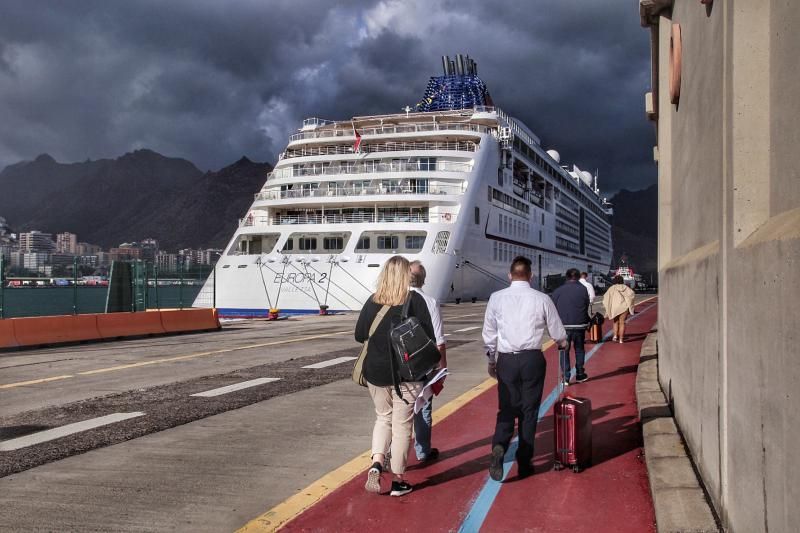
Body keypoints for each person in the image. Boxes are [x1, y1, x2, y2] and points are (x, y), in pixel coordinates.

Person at [354, 256, 435, 497]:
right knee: (402, 426)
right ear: (405, 276)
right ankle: (399, 480)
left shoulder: (372, 300)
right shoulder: (415, 300)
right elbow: (428, 337)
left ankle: (377, 462)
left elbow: (360, 335)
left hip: (375, 372)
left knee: (382, 418)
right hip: (406, 374)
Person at [482, 256, 568, 481]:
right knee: (529, 412)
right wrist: (563, 343)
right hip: (532, 359)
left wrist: (492, 360)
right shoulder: (541, 298)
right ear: (531, 276)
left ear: (509, 275)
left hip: (507, 360)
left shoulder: (496, 298)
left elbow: (489, 334)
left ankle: (499, 446)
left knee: (507, 408)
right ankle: (524, 461)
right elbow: (557, 332)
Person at [409, 260, 447, 463]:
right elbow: (439, 341)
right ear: (424, 280)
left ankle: (388, 455)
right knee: (423, 406)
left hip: (398, 364)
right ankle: (423, 451)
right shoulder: (430, 302)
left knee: (397, 411)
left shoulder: (394, 299)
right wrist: (443, 368)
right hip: (423, 364)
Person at [550, 268, 591, 385]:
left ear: (566, 277)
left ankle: (566, 377)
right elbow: (586, 304)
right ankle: (580, 374)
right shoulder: (583, 289)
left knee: (564, 351)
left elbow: (553, 308)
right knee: (579, 349)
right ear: (578, 277)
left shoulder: (558, 290)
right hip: (579, 325)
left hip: (563, 326)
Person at [602, 275, 635, 343]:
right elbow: (632, 295)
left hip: (615, 307)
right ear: (622, 281)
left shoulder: (612, 288)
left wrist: (608, 307)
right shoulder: (626, 288)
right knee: (622, 323)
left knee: (615, 322)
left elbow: (606, 298)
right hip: (624, 307)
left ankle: (615, 336)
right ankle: (621, 339)